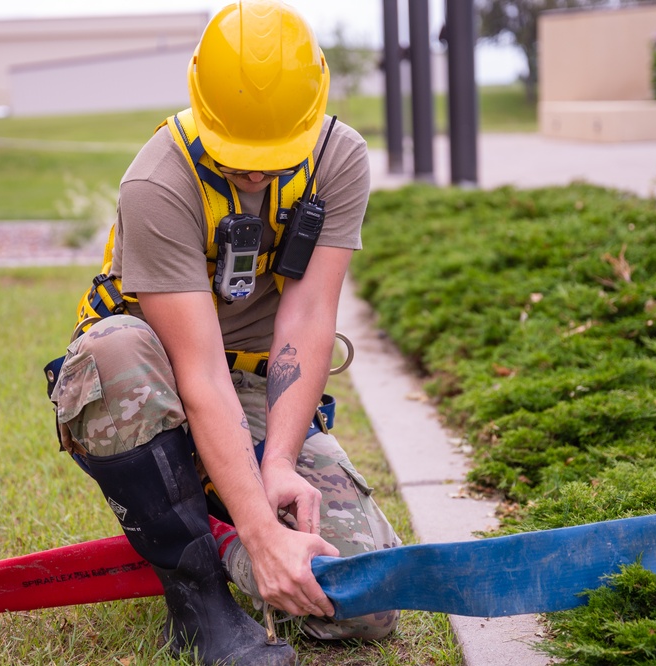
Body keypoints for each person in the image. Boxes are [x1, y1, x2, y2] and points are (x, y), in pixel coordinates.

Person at [46, 1, 400, 663]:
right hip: (156, 390)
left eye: (275, 156)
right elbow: (200, 373)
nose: (256, 174)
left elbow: (308, 317)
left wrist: (279, 467)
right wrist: (264, 532)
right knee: (114, 351)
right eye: (240, 157)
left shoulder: (340, 157)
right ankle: (199, 599)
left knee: (367, 601)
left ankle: (217, 528)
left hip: (255, 384)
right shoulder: (158, 180)